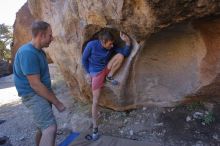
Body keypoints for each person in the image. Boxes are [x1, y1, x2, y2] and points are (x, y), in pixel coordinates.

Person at [13, 21, 65, 146]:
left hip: (40, 94)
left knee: (42, 127)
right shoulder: (28, 53)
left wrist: (52, 98)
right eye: (49, 35)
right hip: (33, 95)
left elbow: (42, 81)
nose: (52, 38)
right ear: (41, 35)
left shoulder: (39, 52)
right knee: (50, 128)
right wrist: (57, 103)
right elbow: (35, 84)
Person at [82, 30, 131, 140]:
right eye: (110, 43)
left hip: (106, 68)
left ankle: (109, 77)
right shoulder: (92, 45)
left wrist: (127, 42)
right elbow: (84, 59)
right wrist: (88, 73)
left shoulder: (110, 46)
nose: (112, 45)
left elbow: (125, 53)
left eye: (112, 43)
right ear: (103, 42)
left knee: (120, 55)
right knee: (95, 101)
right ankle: (95, 128)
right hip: (96, 74)